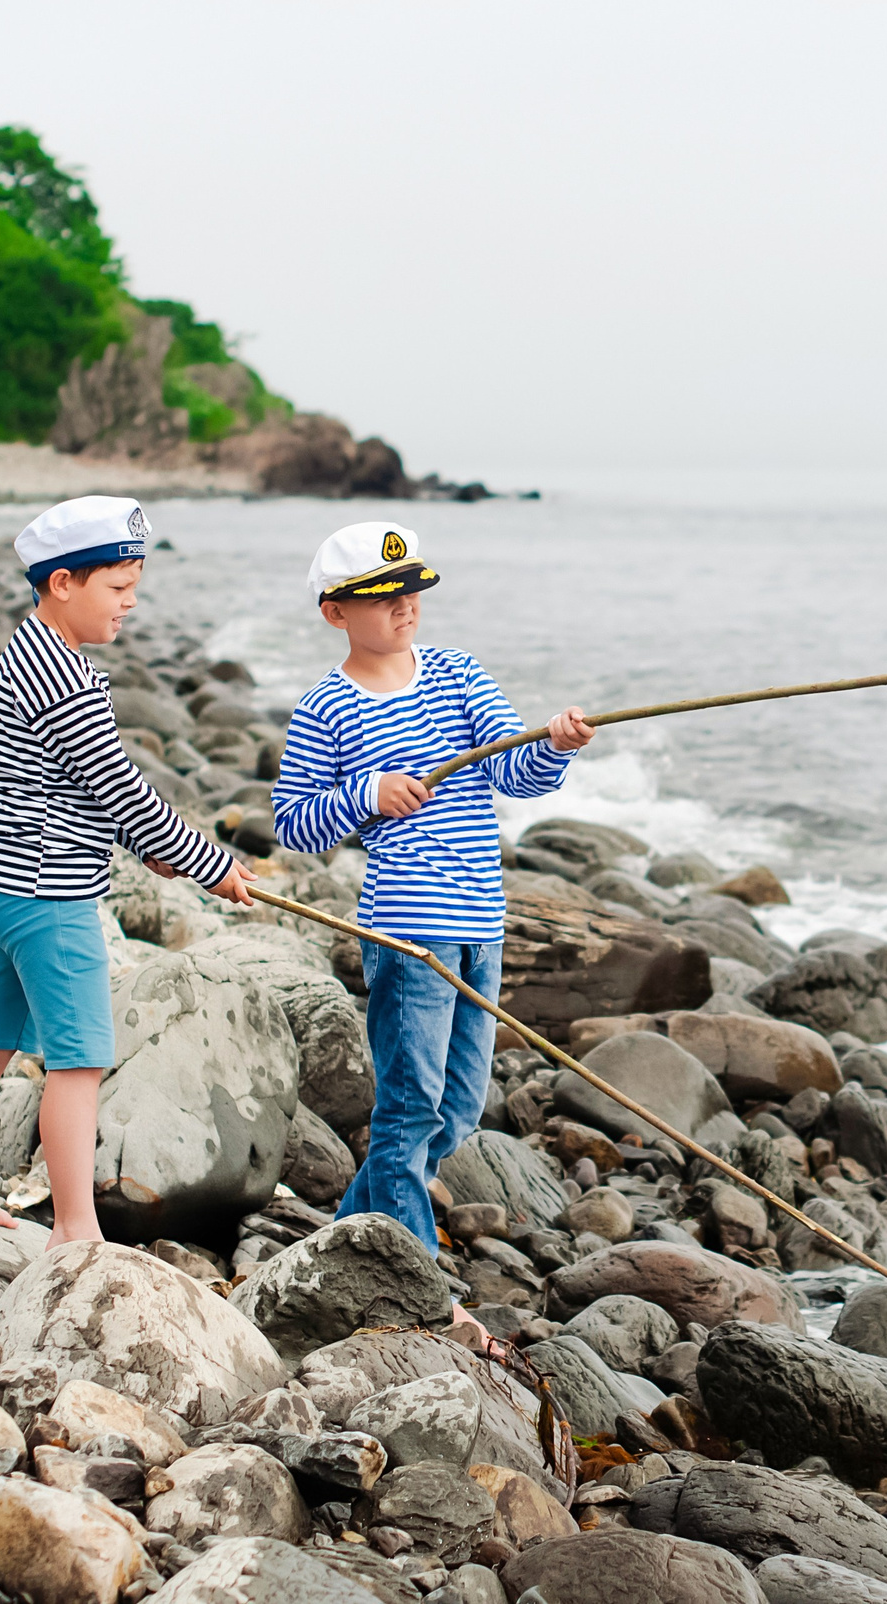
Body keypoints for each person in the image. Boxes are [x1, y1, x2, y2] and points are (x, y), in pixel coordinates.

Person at [0, 495, 255, 1245]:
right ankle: (76, 1229)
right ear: (63, 582)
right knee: (79, 1063)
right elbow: (122, 788)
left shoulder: (28, 650)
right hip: (47, 897)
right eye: (118, 589)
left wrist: (153, 851)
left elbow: (61, 783)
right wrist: (211, 866)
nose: (129, 605)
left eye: (136, 589)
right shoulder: (67, 680)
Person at [272, 519, 593, 1261]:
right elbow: (293, 823)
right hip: (409, 932)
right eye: (383, 596)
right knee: (410, 1112)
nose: (405, 605)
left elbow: (515, 773)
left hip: (484, 923)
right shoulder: (325, 708)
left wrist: (555, 745)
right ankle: (414, 1274)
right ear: (335, 612)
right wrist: (366, 795)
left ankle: (345, 1236)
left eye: (412, 590)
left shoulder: (458, 674)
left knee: (456, 1114)